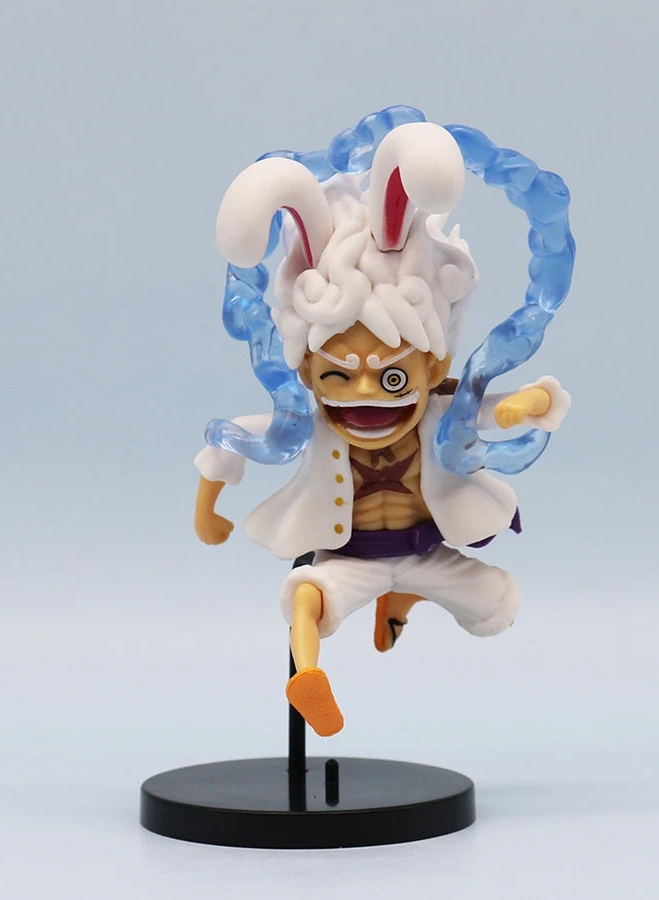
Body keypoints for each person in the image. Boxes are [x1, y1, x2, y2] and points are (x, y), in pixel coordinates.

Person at [193, 122, 570, 736]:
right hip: (354, 560)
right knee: (307, 596)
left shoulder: (439, 410)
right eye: (338, 377)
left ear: (433, 366)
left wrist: (524, 404)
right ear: (308, 371)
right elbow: (231, 438)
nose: (364, 393)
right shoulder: (313, 427)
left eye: (391, 377)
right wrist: (206, 509)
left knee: (498, 605)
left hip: (428, 553)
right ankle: (307, 679)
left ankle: (408, 596)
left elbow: (501, 406)